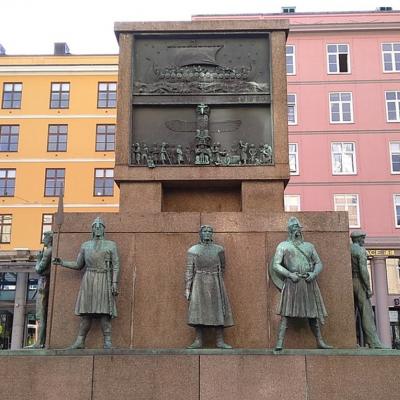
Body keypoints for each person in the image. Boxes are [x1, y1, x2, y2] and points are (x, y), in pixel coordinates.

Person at [53, 217, 120, 349]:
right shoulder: (85, 245)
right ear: (92, 229)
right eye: (95, 226)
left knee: (104, 312)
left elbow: (116, 265)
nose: (98, 228)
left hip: (104, 279)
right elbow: (78, 264)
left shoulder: (111, 245)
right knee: (86, 313)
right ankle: (80, 341)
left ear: (104, 229)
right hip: (89, 280)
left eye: (100, 226)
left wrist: (114, 282)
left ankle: (107, 341)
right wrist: (62, 262)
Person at [272, 217, 332, 350]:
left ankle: (320, 341)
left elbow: (319, 263)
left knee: (313, 314)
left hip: (308, 282)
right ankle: (280, 342)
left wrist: (314, 274)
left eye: (298, 227)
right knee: (286, 314)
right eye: (294, 227)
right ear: (289, 230)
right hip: (292, 282)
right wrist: (289, 274)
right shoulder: (283, 246)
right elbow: (276, 264)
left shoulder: (309, 246)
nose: (296, 230)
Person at [185, 225, 234, 349]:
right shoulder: (193, 250)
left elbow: (223, 266)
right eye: (205, 231)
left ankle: (220, 340)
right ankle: (198, 340)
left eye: (209, 231)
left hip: (215, 282)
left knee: (218, 309)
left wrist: (217, 280)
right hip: (199, 282)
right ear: (200, 233)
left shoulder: (219, 249)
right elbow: (189, 269)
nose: (207, 233)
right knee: (198, 310)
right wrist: (187, 288)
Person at [350, 230, 386, 348]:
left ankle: (351, 341)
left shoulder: (348, 249)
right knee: (366, 312)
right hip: (359, 281)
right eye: (362, 238)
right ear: (359, 239)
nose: (364, 241)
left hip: (349, 283)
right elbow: (363, 270)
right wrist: (368, 287)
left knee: (351, 312)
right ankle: (373, 341)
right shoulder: (360, 250)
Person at [29, 231, 53, 348]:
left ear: (49, 238)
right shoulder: (50, 250)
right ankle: (40, 341)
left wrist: (38, 259)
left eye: (45, 237)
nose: (43, 239)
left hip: (43, 283)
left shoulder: (48, 251)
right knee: (42, 313)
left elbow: (39, 269)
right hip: (45, 282)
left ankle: (40, 342)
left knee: (41, 313)